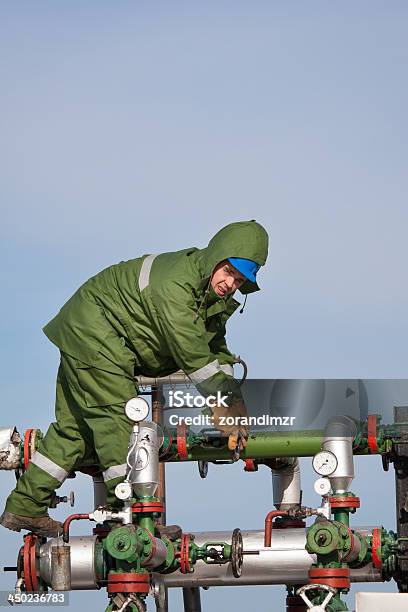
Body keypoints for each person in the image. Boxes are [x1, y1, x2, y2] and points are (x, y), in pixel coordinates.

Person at [0, 220, 268, 537]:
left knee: (74, 431)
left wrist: (231, 393)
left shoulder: (209, 297)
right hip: (97, 335)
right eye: (229, 272)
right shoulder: (176, 285)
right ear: (217, 257)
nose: (230, 284)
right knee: (120, 424)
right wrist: (226, 402)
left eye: (239, 280)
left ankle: (26, 506)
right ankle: (127, 518)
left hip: (87, 333)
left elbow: (215, 350)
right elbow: (193, 354)